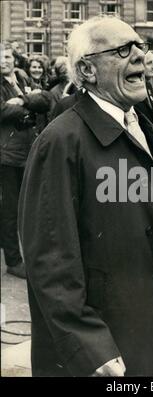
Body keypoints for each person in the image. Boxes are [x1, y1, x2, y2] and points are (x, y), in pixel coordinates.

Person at [18, 17, 153, 377]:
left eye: (140, 47)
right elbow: (49, 259)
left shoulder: (144, 129)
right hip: (107, 351)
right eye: (122, 51)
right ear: (87, 70)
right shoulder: (60, 142)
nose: (140, 58)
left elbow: (134, 214)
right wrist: (89, 348)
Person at [0, 42, 51, 279]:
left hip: (27, 153)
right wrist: (29, 104)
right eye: (0, 58)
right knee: (10, 210)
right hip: (8, 156)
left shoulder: (21, 79)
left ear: (14, 59)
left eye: (7, 56)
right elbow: (2, 112)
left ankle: (30, 257)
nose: (4, 61)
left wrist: (21, 101)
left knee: (29, 209)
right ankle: (13, 260)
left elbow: (46, 101)